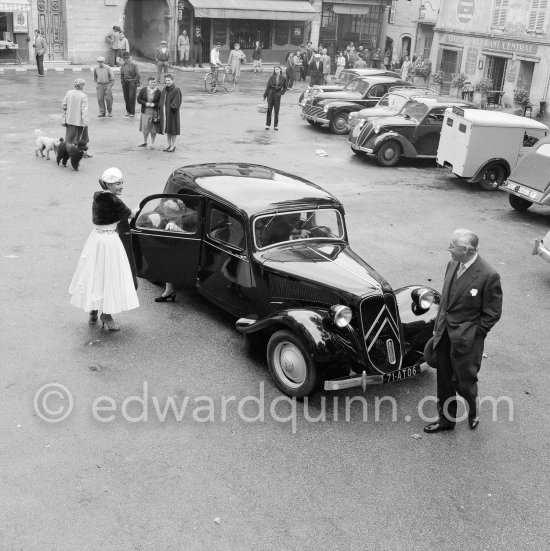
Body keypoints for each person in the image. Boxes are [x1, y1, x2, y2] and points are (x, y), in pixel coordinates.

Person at [423, 229, 503, 433]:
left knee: (464, 381)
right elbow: (445, 301)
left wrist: (476, 334)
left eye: (452, 246)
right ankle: (446, 420)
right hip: (444, 334)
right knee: (444, 380)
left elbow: (492, 313)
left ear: (466, 249)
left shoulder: (488, 275)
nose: (449, 249)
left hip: (467, 339)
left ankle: (473, 409)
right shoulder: (452, 264)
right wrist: (437, 328)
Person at [69, 167, 139, 331]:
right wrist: (137, 210)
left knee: (95, 274)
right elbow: (130, 214)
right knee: (110, 276)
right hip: (109, 241)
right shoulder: (114, 200)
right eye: (117, 183)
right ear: (108, 184)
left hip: (96, 238)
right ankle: (106, 315)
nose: (121, 186)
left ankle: (93, 310)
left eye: (121, 182)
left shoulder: (98, 197)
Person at [136, 198, 198, 302]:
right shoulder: (172, 214)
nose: (167, 217)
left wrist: (178, 230)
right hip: (177, 243)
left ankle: (171, 289)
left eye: (170, 215)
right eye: (166, 214)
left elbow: (194, 239)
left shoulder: (192, 218)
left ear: (180, 213)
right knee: (165, 255)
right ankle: (169, 290)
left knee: (169, 258)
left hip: (191, 248)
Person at [62, 78, 91, 155]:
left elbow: (64, 105)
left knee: (69, 138)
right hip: (80, 120)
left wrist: (68, 112)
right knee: (82, 137)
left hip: (70, 119)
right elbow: (84, 110)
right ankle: (83, 153)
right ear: (82, 86)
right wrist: (85, 121)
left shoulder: (69, 93)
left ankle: (67, 152)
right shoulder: (83, 96)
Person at [159, 74, 182, 152]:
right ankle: (168, 145)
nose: (167, 82)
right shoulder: (164, 90)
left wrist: (173, 107)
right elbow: (161, 101)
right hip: (165, 112)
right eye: (166, 80)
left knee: (173, 129)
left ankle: (173, 145)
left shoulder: (176, 90)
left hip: (173, 113)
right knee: (168, 129)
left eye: (169, 80)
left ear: (172, 80)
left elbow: (177, 101)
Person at [137, 76, 161, 149]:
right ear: (148, 82)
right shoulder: (143, 90)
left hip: (154, 112)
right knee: (145, 128)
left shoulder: (158, 91)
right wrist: (145, 103)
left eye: (154, 82)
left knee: (153, 129)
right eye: (151, 82)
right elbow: (138, 99)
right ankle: (144, 142)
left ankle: (152, 143)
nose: (153, 83)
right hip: (145, 111)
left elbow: (160, 102)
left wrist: (154, 104)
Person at [263, 65, 287, 131]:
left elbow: (285, 87)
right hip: (270, 94)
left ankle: (276, 125)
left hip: (278, 94)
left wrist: (281, 93)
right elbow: (268, 87)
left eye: (277, 69)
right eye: (275, 69)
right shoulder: (271, 77)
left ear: (280, 70)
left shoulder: (283, 78)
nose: (276, 71)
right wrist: (265, 96)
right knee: (269, 110)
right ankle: (267, 125)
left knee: (276, 111)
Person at [120, 52, 140, 117]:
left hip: (132, 82)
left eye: (128, 58)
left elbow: (138, 75)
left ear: (130, 58)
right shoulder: (122, 66)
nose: (127, 60)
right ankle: (128, 111)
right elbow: (122, 75)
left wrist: (134, 81)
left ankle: (132, 112)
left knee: (131, 97)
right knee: (126, 97)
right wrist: (122, 81)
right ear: (123, 59)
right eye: (125, 59)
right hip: (125, 83)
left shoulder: (134, 65)